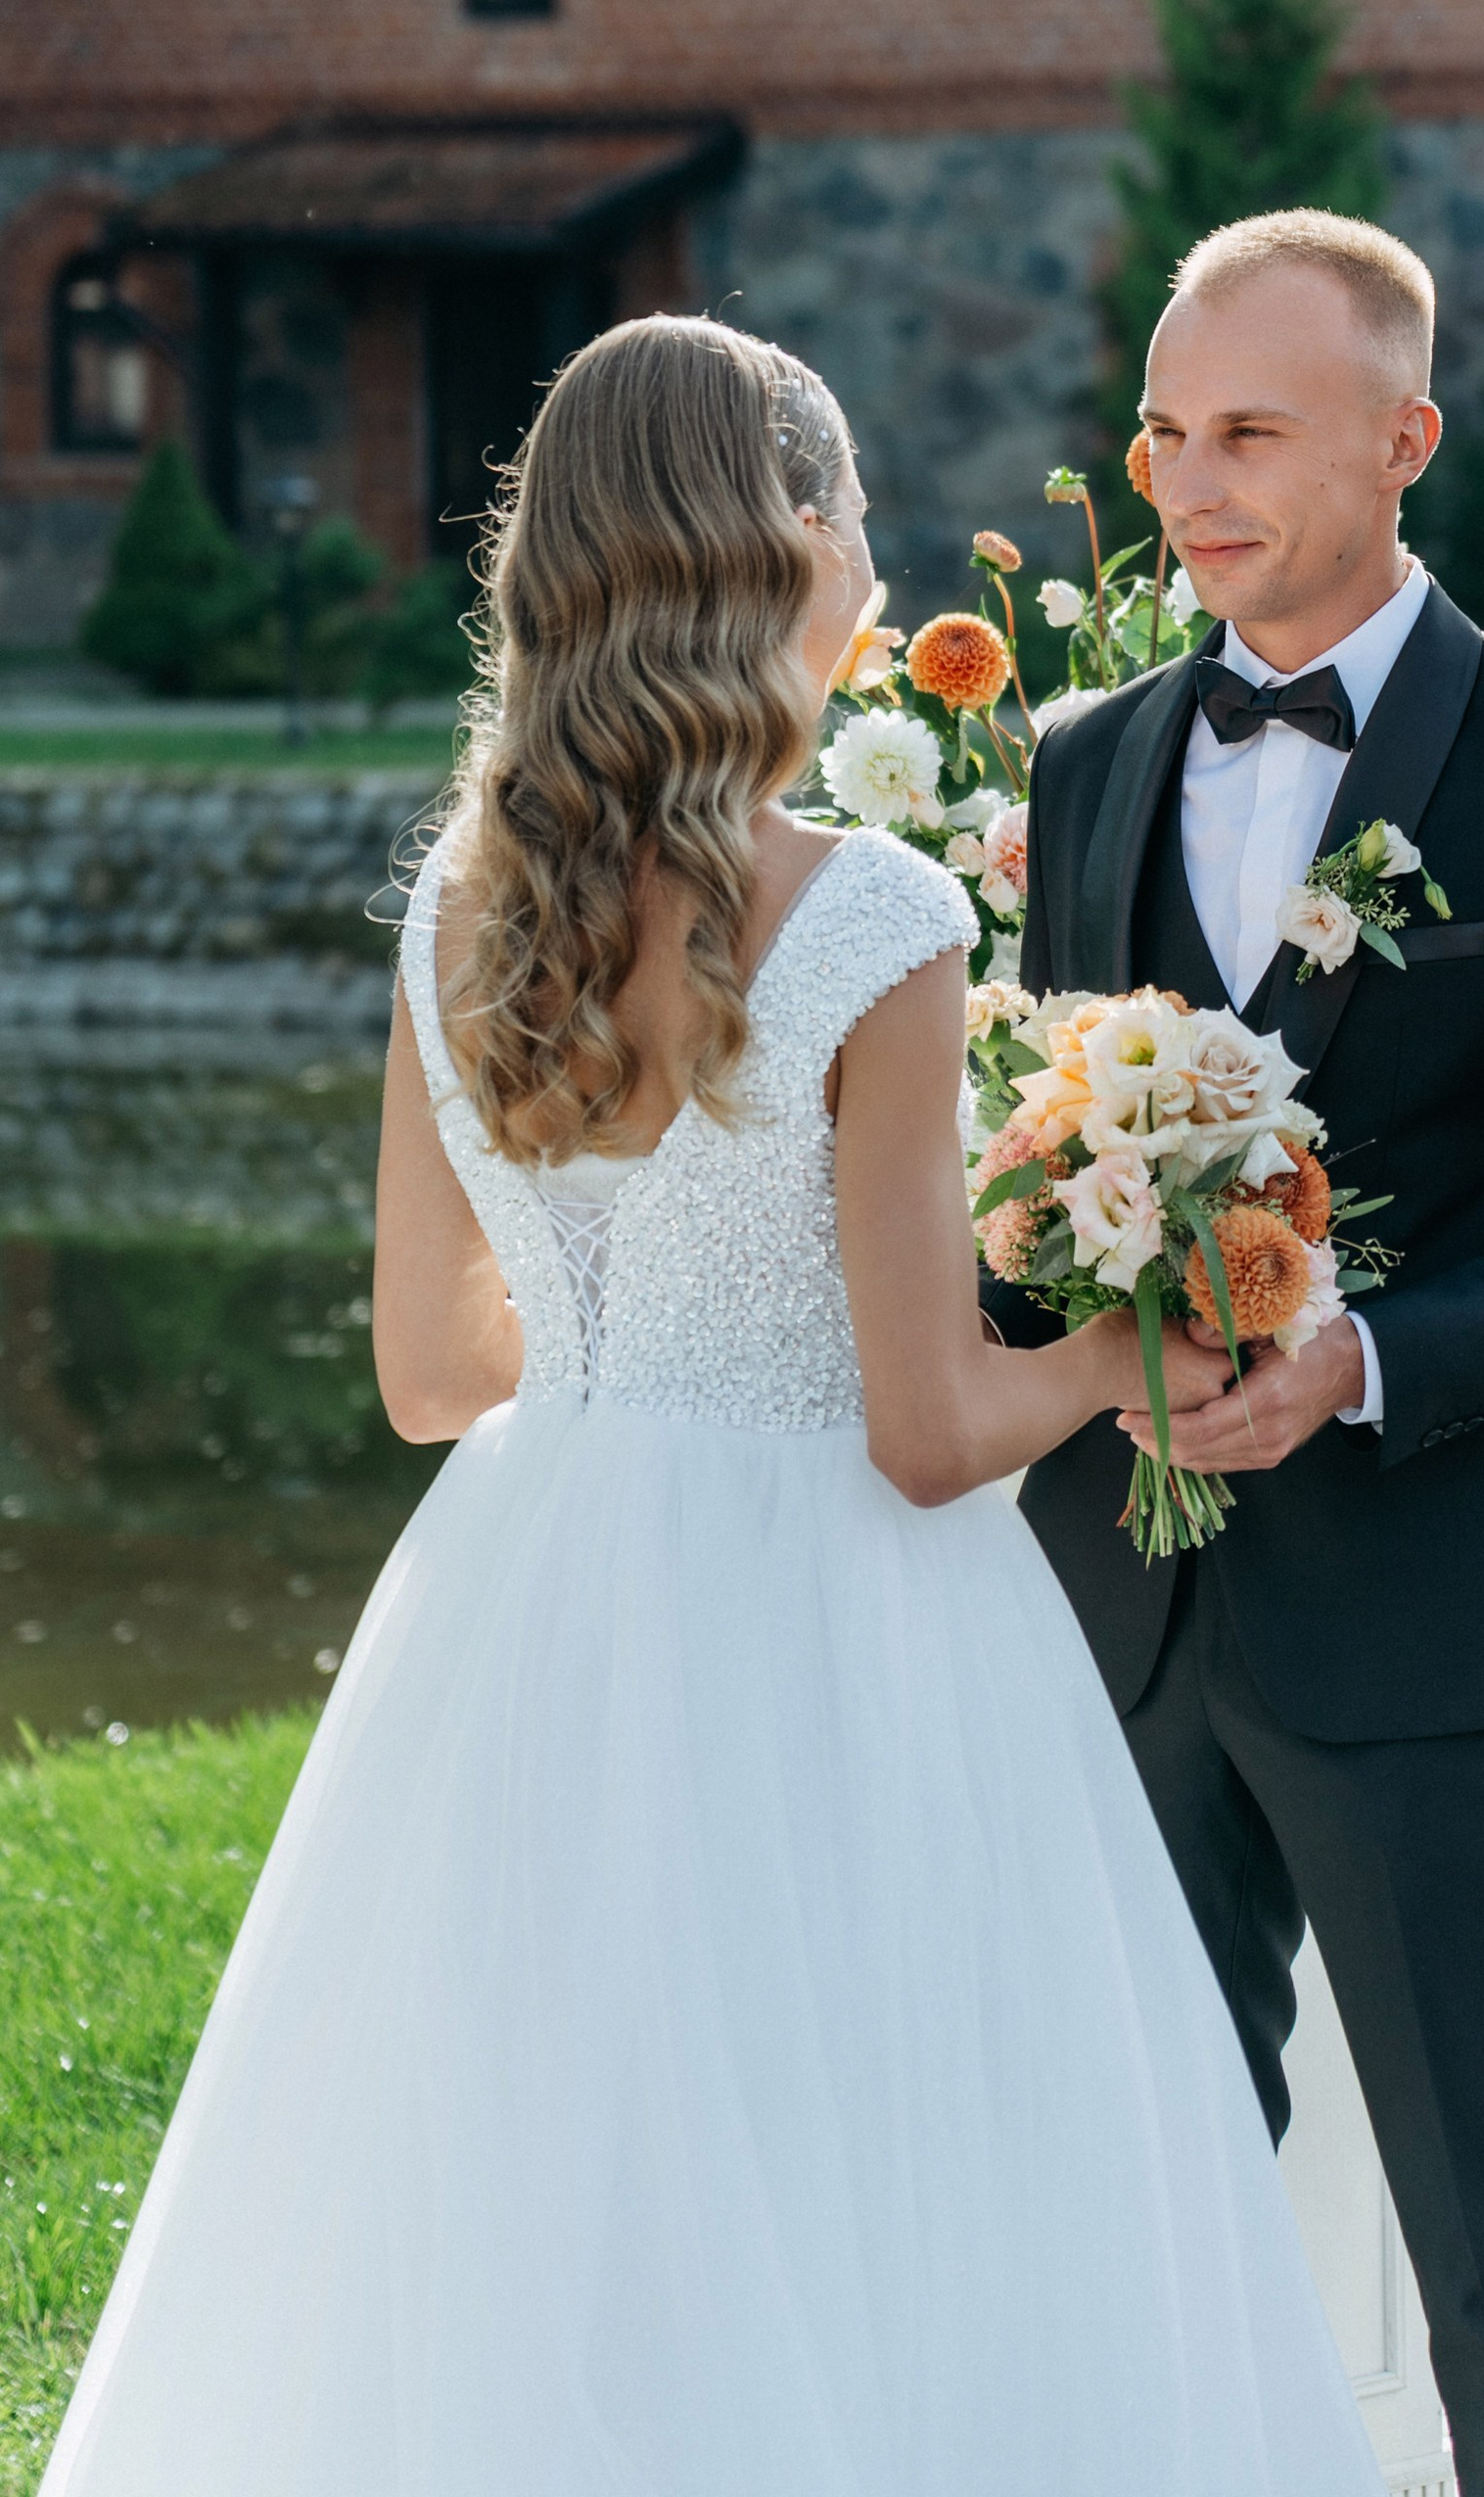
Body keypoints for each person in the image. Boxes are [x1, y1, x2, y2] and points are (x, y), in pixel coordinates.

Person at [40, 314, 1377, 2497]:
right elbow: (926, 1433)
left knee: (544, 2180)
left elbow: (425, 1374)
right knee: (882, 2164)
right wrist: (1129, 1348)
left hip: (522, 1602)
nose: (875, 559)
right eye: (855, 512)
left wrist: (630, 1375)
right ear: (786, 538)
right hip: (834, 1627)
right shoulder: (871, 912)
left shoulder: (461, 906)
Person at [1003, 210, 1484, 2497]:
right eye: (1161, 430)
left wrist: (1360, 1362)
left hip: (1434, 1631)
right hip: (1115, 1616)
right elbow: (1040, 1173)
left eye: (1247, 431)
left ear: (1405, 440)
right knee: (1125, 2226)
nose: (1183, 481)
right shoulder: (1083, 760)